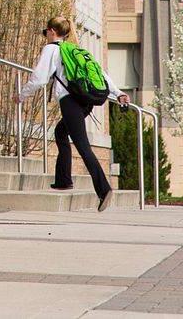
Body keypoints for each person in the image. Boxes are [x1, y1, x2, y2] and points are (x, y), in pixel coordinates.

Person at [14, 15, 129, 213]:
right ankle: (63, 180)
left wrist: (22, 95)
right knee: (60, 132)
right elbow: (101, 74)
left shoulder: (51, 49)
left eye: (46, 32)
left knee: (83, 146)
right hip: (85, 102)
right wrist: (118, 93)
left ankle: (103, 189)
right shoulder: (76, 49)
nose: (46, 36)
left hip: (70, 102)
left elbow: (40, 78)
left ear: (51, 31)